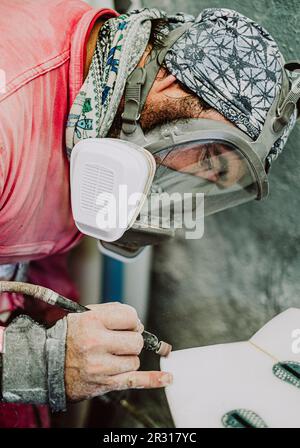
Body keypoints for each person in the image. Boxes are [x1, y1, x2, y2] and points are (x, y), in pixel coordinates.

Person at [0, 0, 298, 427]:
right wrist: (37, 361)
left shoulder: (96, 98)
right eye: (208, 157)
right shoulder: (8, 122)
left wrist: (57, 317)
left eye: (211, 181)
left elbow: (34, 237)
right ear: (170, 84)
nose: (182, 179)